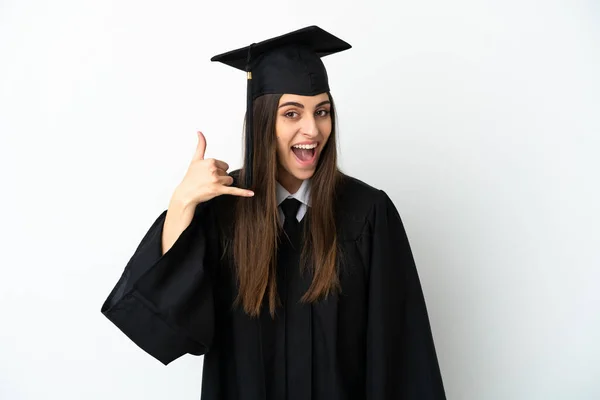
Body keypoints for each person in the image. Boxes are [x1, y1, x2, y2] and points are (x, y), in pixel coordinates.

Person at [101, 26, 446, 400]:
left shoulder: (368, 214)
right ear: (264, 121)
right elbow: (165, 328)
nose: (312, 129)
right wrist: (183, 204)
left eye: (322, 111)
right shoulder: (222, 212)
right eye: (292, 113)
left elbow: (401, 358)